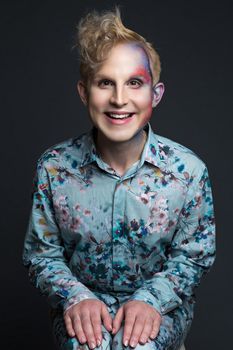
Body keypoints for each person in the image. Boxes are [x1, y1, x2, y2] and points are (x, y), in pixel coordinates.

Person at [22, 7, 216, 350]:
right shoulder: (54, 168)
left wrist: (151, 299)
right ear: (85, 92)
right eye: (105, 83)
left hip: (161, 308)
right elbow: (42, 254)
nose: (119, 99)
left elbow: (194, 255)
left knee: (137, 346)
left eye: (135, 83)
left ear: (155, 94)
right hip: (82, 306)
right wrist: (76, 297)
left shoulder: (188, 172)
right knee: (89, 346)